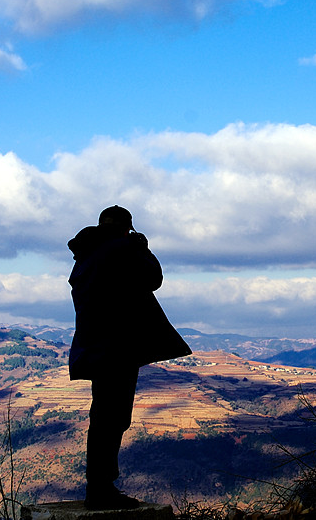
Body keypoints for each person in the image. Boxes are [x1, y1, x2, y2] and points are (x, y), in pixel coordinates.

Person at [67, 205, 192, 510]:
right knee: (113, 419)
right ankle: (101, 489)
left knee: (103, 417)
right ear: (127, 228)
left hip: (94, 348)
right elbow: (153, 278)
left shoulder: (84, 257)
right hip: (117, 348)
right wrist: (142, 248)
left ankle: (98, 486)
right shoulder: (123, 248)